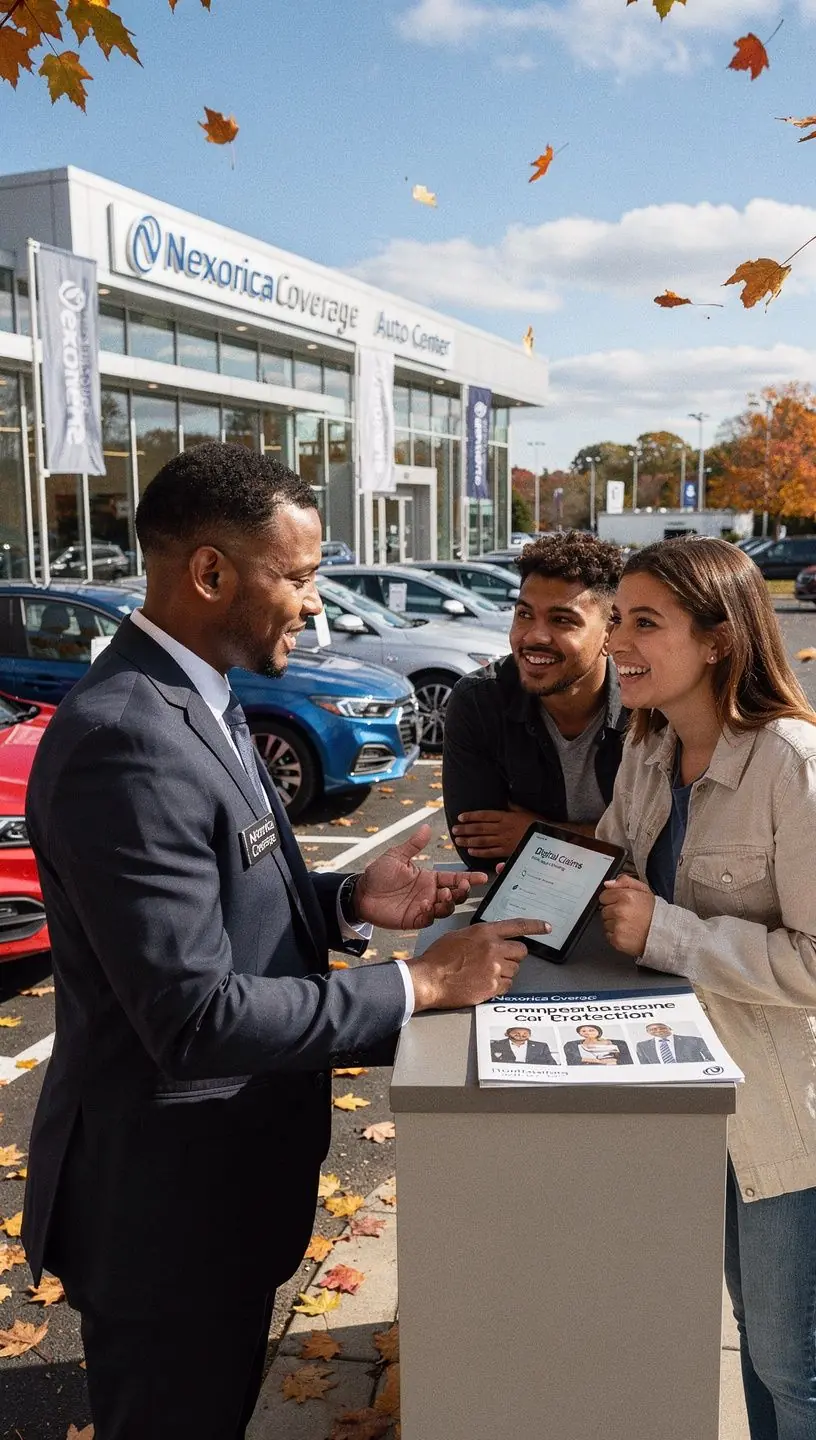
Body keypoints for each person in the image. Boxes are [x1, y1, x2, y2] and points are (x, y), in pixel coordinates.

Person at [22, 443, 550, 1440]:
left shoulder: (201, 698)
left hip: (220, 1193)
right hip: (163, 1215)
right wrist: (421, 989)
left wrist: (351, 900)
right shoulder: (127, 738)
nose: (317, 604)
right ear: (210, 572)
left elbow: (227, 898)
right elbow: (191, 1011)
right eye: (300, 578)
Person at [597, 536, 816, 1440]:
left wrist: (671, 934)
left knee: (793, 1368)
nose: (616, 642)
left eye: (646, 622)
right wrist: (508, 898)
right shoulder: (649, 749)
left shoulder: (791, 766)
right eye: (616, 619)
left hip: (788, 1119)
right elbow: (611, 863)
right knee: (758, 1343)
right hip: (697, 1101)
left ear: (721, 638)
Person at [443, 532, 626, 867]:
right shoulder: (479, 702)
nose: (534, 636)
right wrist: (602, 840)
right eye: (524, 614)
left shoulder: (645, 705)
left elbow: (662, 849)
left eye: (562, 620)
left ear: (609, 635)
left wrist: (540, 834)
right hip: (522, 900)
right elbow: (480, 849)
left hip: (636, 905)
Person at [636, 1021, 713, 1065]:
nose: (659, 1030)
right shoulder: (642, 1046)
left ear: (669, 1029)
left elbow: (711, 1057)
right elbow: (644, 1064)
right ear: (648, 1032)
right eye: (653, 1029)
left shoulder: (693, 1040)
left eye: (662, 1028)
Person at [562, 1023, 633, 1066]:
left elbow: (627, 1059)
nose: (587, 1033)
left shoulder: (619, 1043)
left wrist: (616, 1062)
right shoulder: (571, 1045)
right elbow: (572, 1060)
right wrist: (600, 1061)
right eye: (583, 1031)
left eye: (591, 1030)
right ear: (580, 1033)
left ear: (598, 1031)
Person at [490, 1025, 557, 1065]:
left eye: (525, 1033)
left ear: (530, 1035)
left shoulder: (541, 1046)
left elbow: (552, 1063)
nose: (521, 1035)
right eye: (516, 1032)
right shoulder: (495, 1045)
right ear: (506, 1034)